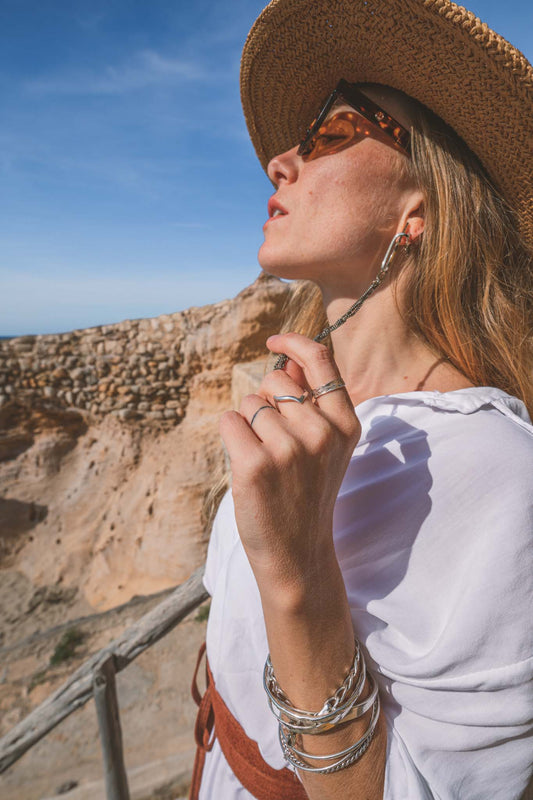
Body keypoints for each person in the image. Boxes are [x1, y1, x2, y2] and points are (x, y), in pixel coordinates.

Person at [189, 1, 533, 798]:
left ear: (418, 209)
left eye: (331, 133)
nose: (281, 160)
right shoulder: (296, 403)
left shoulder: (496, 474)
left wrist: (300, 570)